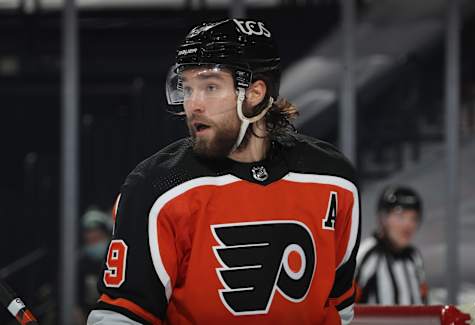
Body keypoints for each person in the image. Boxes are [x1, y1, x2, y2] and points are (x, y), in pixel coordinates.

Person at [87, 18, 360, 325]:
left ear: (255, 93)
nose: (194, 104)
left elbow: (340, 308)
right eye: (187, 88)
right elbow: (121, 316)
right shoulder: (156, 187)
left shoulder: (334, 180)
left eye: (210, 87)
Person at [354, 185, 428, 305]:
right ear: (382, 218)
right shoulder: (366, 255)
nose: (408, 225)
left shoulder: (414, 257)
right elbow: (345, 308)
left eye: (413, 218)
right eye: (400, 216)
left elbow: (423, 301)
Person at [78, 208, 113, 319]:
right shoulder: (80, 266)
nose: (93, 243)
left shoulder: (117, 262)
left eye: (97, 238)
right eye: (90, 241)